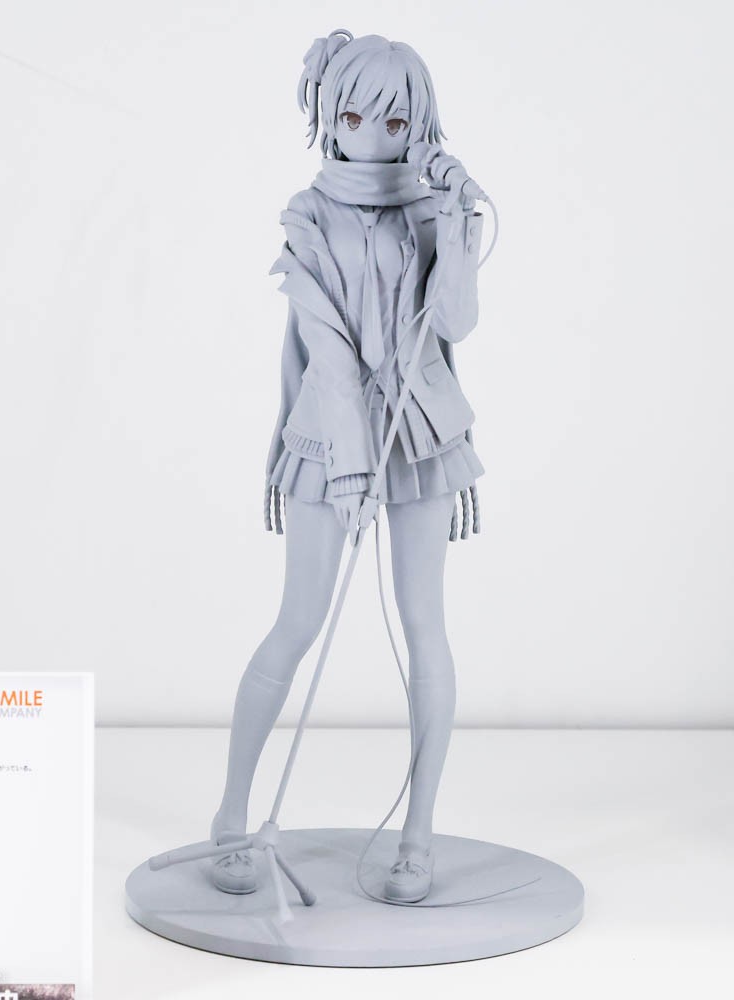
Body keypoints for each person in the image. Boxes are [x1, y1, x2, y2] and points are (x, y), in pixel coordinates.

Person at [209, 28, 486, 904]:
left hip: (423, 434)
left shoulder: (432, 212)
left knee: (424, 623)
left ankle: (418, 835)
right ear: (329, 116)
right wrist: (350, 468)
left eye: (395, 121)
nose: (371, 136)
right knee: (297, 622)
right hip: (330, 437)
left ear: (420, 125)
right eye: (356, 115)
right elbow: (325, 352)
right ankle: (230, 814)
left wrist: (459, 225)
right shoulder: (308, 216)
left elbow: (456, 323)